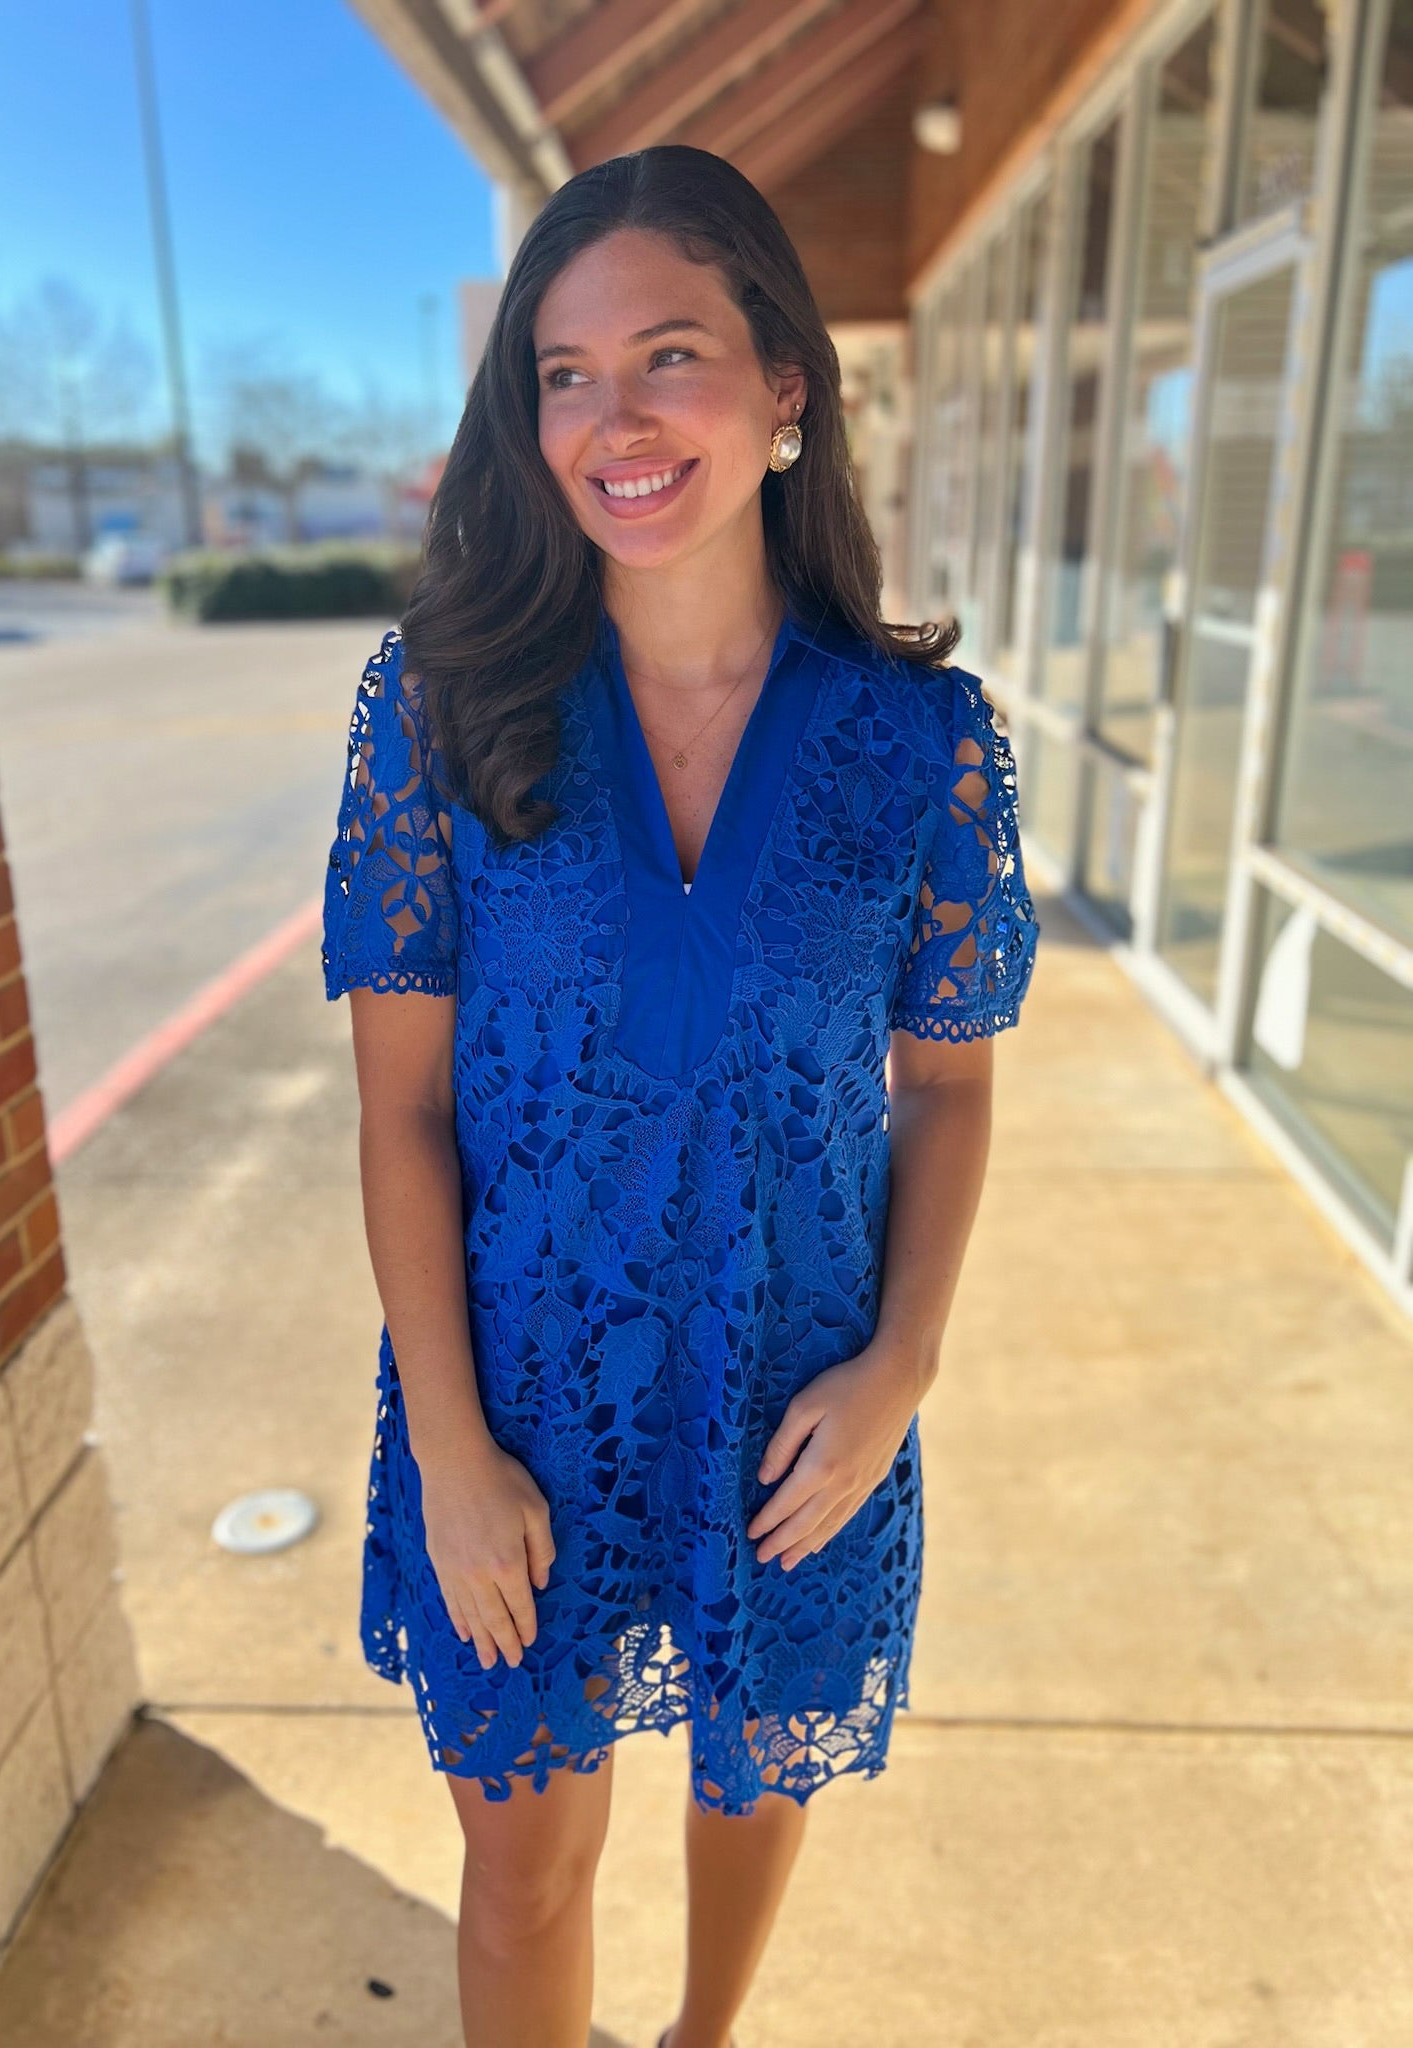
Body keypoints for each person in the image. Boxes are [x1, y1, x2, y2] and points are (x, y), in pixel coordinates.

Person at [321, 144, 1039, 2048]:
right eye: (565, 374)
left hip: (796, 1394)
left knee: (755, 1777)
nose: (615, 422)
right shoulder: (443, 711)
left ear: (784, 382)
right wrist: (452, 1451)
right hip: (518, 1408)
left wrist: (902, 1367)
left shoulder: (921, 745)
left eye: (669, 356)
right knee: (521, 1874)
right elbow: (399, 1116)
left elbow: (947, 1090)